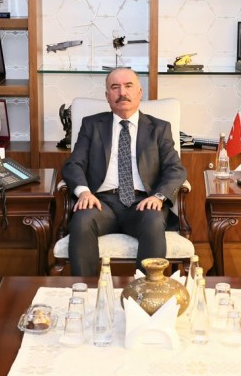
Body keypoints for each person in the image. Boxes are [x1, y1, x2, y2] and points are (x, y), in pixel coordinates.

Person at [61, 67, 187, 276]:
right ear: (107, 96)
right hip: (101, 202)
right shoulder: (92, 125)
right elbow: (73, 164)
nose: (122, 92)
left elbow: (175, 169)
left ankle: (148, 289)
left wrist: (158, 196)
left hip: (143, 202)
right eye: (115, 87)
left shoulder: (159, 128)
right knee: (82, 220)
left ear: (139, 92)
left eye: (128, 86)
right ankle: (86, 289)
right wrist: (84, 192)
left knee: (153, 219)